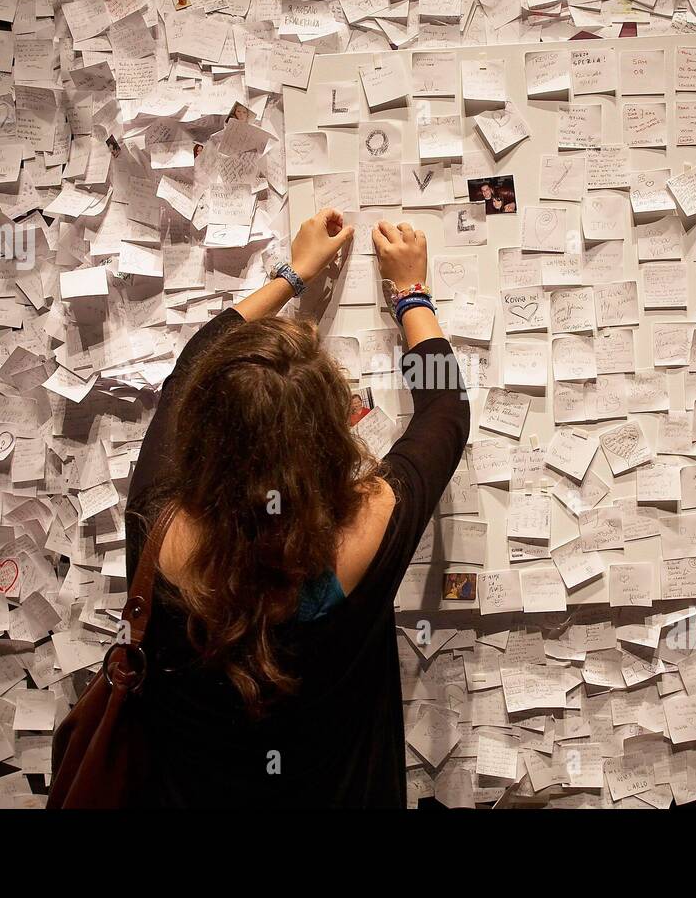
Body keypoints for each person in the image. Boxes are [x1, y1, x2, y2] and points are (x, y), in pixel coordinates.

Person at [126, 209, 469, 807]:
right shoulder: (372, 524)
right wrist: (410, 293)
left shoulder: (158, 522)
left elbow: (193, 361)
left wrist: (294, 273)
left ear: (202, 433)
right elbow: (445, 410)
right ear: (333, 436)